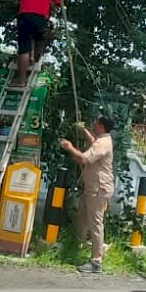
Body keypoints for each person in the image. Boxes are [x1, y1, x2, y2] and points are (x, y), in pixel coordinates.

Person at [60, 114, 115, 273]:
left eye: (96, 123)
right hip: (92, 189)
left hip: (98, 190)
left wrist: (69, 147)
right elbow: (93, 143)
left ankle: (96, 261)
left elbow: (84, 159)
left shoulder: (103, 143)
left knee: (95, 224)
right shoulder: (102, 140)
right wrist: (83, 130)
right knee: (82, 216)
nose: (94, 124)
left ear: (101, 126)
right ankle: (77, 245)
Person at [14, 0, 62, 87]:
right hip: (41, 18)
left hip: (25, 15)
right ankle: (31, 57)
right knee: (35, 36)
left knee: (23, 48)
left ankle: (20, 80)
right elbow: (59, 2)